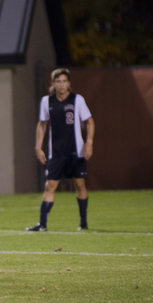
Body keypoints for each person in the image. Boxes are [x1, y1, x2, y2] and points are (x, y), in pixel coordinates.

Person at [26, 68, 95, 232]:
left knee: (79, 184)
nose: (61, 84)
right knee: (50, 185)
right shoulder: (47, 101)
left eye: (64, 81)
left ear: (69, 83)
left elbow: (90, 121)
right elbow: (42, 124)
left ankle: (83, 223)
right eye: (58, 81)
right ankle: (42, 225)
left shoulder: (77, 100)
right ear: (53, 84)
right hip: (55, 152)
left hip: (75, 152)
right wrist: (38, 146)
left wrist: (89, 142)